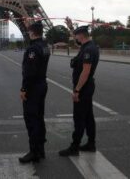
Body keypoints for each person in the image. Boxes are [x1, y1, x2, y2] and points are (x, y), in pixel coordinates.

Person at [59, 24, 100, 157]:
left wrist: (77, 90)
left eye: (76, 35)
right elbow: (79, 46)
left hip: (83, 87)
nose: (74, 38)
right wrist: (71, 27)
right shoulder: (89, 46)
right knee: (88, 117)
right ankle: (91, 143)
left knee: (79, 118)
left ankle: (74, 147)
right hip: (87, 86)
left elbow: (86, 72)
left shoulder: (88, 50)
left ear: (81, 36)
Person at [19, 21, 50, 163]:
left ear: (32, 32)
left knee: (31, 119)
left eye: (29, 31)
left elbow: (29, 73)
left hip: (33, 87)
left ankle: (34, 151)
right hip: (42, 84)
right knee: (39, 117)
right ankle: (41, 148)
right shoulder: (44, 47)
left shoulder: (32, 49)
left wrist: (24, 89)